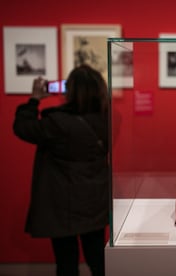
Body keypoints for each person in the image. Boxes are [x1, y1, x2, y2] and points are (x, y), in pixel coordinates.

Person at [13, 64, 109, 276]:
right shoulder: (105, 120)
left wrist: (34, 99)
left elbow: (22, 127)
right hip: (94, 200)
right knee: (98, 258)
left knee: (66, 261)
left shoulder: (56, 123)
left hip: (62, 204)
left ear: (70, 90)